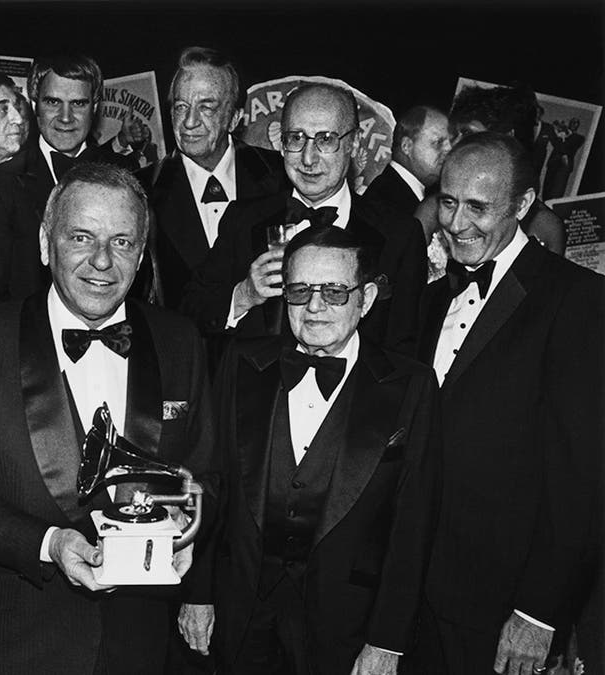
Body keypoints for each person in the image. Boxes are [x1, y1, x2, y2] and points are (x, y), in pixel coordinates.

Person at [0, 162, 220, 674]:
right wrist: (49, 544)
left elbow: (207, 475)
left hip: (142, 643)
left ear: (141, 256)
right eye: (81, 237)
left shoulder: (180, 341)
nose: (102, 260)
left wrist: (186, 529)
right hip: (21, 643)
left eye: (122, 242)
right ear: (45, 243)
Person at [210, 224, 440, 674]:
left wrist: (387, 641)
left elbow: (413, 525)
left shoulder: (411, 385)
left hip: (344, 627)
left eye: (334, 292)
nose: (314, 307)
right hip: (240, 617)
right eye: (300, 291)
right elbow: (212, 486)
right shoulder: (242, 363)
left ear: (366, 299)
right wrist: (197, 596)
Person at [416, 132, 603, 675]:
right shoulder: (433, 297)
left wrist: (538, 613)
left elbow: (581, 478)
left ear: (522, 205)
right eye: (448, 202)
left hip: (503, 606)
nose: (456, 223)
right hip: (415, 593)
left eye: (478, 207)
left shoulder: (579, 299)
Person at [181, 83, 426, 360]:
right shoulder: (244, 221)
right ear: (281, 144)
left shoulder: (399, 235)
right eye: (296, 138)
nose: (308, 159)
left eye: (325, 139)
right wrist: (244, 295)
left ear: (354, 143)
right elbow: (188, 314)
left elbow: (404, 349)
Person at [0, 54, 143, 306]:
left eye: (78, 104)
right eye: (53, 102)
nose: (65, 117)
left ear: (95, 107)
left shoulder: (126, 173)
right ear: (34, 104)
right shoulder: (0, 183)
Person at [141, 46, 288, 308]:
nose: (189, 122)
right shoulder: (141, 191)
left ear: (234, 119)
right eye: (181, 107)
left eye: (206, 108)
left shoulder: (281, 176)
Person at [415, 84, 565, 255]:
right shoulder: (433, 208)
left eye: (467, 133)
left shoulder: (545, 226)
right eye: (455, 135)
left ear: (506, 137)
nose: (454, 145)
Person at [363, 105, 450, 215]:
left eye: (449, 143)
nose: (448, 150)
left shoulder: (392, 193)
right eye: (438, 142)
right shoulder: (387, 201)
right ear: (406, 146)